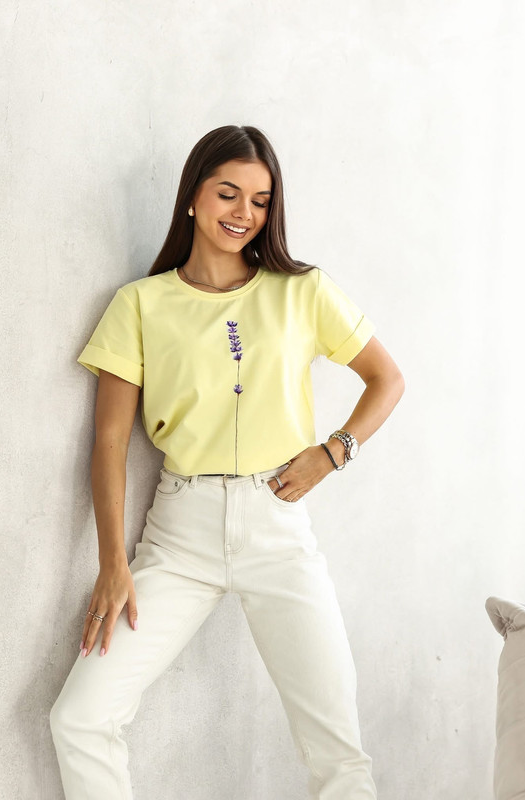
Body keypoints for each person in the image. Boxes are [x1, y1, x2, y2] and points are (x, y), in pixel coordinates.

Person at [49, 124, 404, 800]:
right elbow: (109, 443)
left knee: (339, 752)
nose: (244, 213)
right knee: (80, 719)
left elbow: (387, 379)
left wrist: (334, 452)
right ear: (193, 196)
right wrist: (112, 563)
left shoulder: (303, 291)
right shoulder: (140, 304)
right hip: (179, 537)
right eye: (228, 193)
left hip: (278, 528)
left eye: (261, 201)